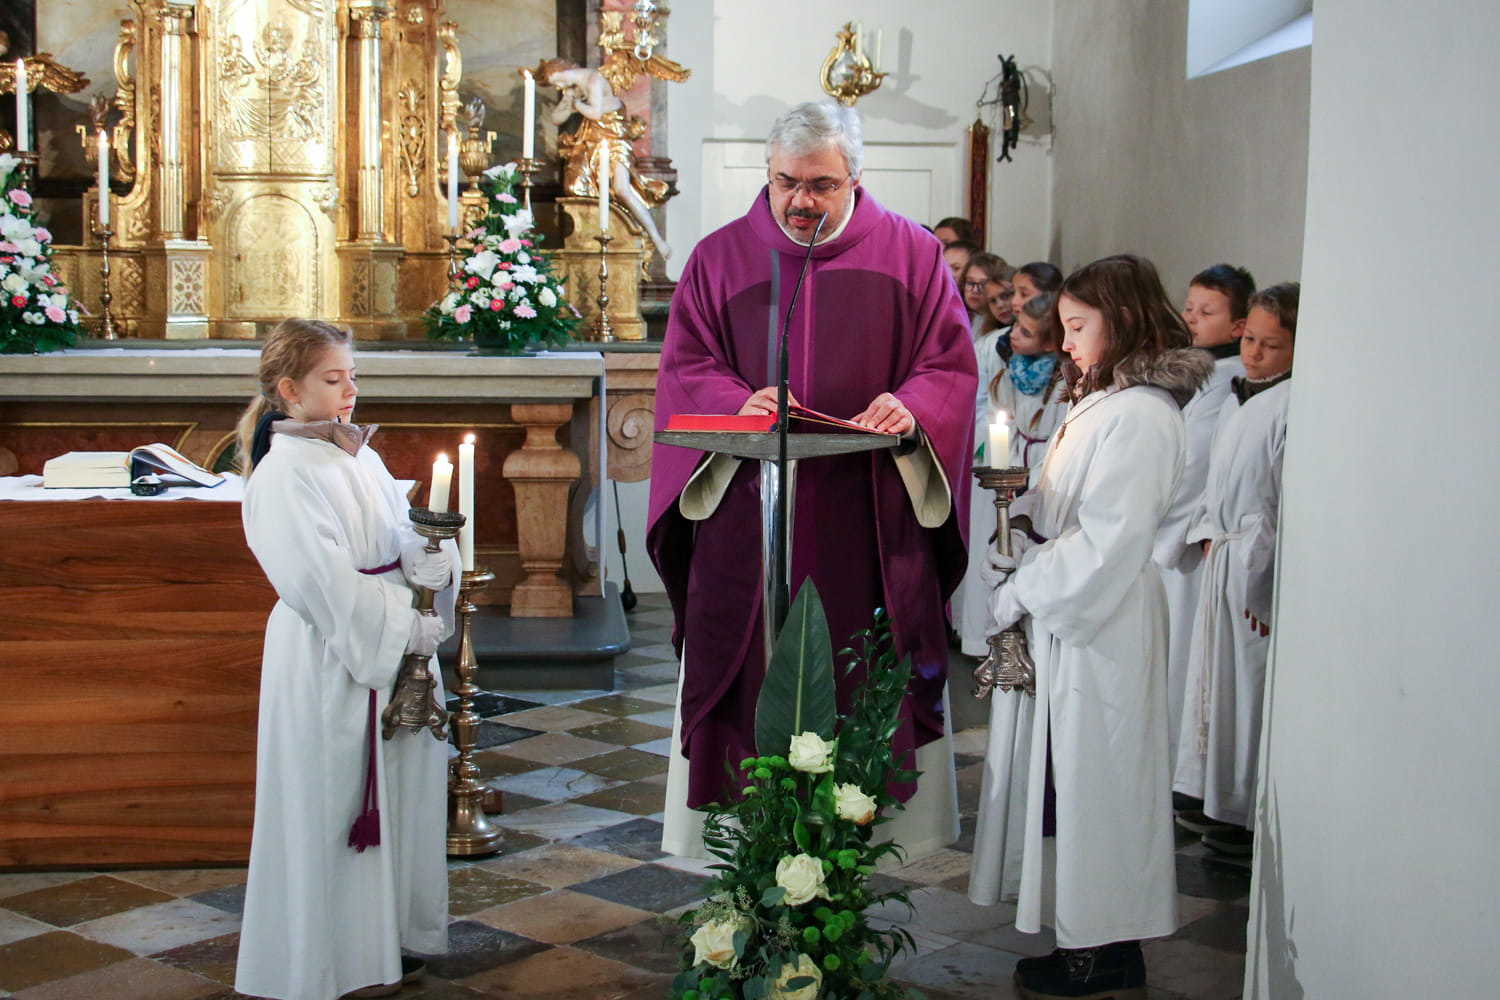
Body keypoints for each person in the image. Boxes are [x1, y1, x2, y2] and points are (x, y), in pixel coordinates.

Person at [648, 99, 977, 861]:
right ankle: (747, 841)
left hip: (869, 511)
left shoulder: (912, 254)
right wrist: (737, 402)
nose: (801, 201)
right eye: (786, 182)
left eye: (822, 184)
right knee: (748, 665)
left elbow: (949, 365)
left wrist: (913, 405)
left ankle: (865, 836)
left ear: (856, 176)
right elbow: (687, 364)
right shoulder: (721, 257)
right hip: (749, 509)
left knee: (865, 658)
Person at [969, 254, 1212, 1000]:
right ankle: (1084, 937)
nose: (1066, 341)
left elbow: (1110, 541)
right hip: (1076, 618)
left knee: (1102, 786)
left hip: (1103, 624)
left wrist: (1024, 588)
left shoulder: (1143, 414)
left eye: (1078, 326)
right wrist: (1021, 520)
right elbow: (1067, 508)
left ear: (1124, 320)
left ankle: (1105, 949)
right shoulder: (1107, 400)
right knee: (1071, 784)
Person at [233, 319, 457, 1000]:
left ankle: (385, 943)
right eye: (333, 379)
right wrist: (405, 624)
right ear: (289, 389)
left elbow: (396, 532)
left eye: (353, 376)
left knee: (398, 798)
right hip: (331, 655)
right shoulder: (283, 473)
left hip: (391, 641)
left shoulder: (359, 454)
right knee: (332, 805)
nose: (350, 390)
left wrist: (426, 560)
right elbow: (318, 581)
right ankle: (331, 964)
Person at [1173, 282, 1298, 856]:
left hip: (1254, 564)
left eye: (1272, 345)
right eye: (1250, 340)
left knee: (1247, 687)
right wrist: (1205, 529)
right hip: (1223, 555)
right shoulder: (1236, 395)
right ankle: (1211, 793)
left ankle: (1243, 809)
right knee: (1213, 683)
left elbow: (1280, 500)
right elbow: (1213, 477)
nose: (1254, 353)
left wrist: (1262, 578)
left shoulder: (1291, 404)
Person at [1156, 264, 1255, 778]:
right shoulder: (1194, 368)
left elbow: (1194, 462)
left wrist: (1157, 527)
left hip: (1187, 539)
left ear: (1238, 325)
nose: (1191, 317)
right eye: (1189, 307)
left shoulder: (1229, 378)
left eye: (1206, 311)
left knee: (1181, 656)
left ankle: (1178, 766)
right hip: (1168, 529)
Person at [951, 292, 1068, 659]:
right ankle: (986, 636)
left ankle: (1026, 648)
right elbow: (999, 419)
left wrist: (1031, 477)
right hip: (1008, 469)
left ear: (1051, 343)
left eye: (1026, 332)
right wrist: (1005, 467)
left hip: (1044, 472)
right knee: (993, 550)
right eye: (1016, 326)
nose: (1014, 334)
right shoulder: (1009, 373)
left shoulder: (1063, 385)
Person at [537, 58, 673, 258]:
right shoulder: (574, 88)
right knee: (577, 187)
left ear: (560, 72)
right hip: (591, 138)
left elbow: (595, 112)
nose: (557, 86)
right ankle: (590, 237)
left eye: (556, 81)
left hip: (614, 137)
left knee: (622, 189)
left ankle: (656, 238)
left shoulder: (593, 80)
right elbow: (557, 118)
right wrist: (568, 101)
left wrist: (576, 103)